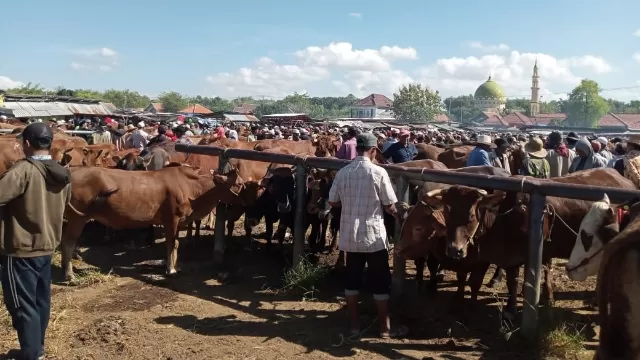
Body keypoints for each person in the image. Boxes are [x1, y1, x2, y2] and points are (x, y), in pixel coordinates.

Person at [0, 123, 72, 360]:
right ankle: (36, 349)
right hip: (47, 246)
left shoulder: (22, 171)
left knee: (22, 306)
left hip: (21, 248)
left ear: (27, 144)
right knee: (40, 301)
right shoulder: (62, 173)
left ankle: (31, 355)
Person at [328, 133, 407, 339]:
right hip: (373, 236)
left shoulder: (343, 172)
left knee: (352, 281)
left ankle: (354, 325)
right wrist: (399, 213)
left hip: (350, 236)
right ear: (373, 151)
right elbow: (389, 204)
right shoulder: (378, 172)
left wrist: (349, 204)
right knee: (380, 282)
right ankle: (385, 328)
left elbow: (333, 201)